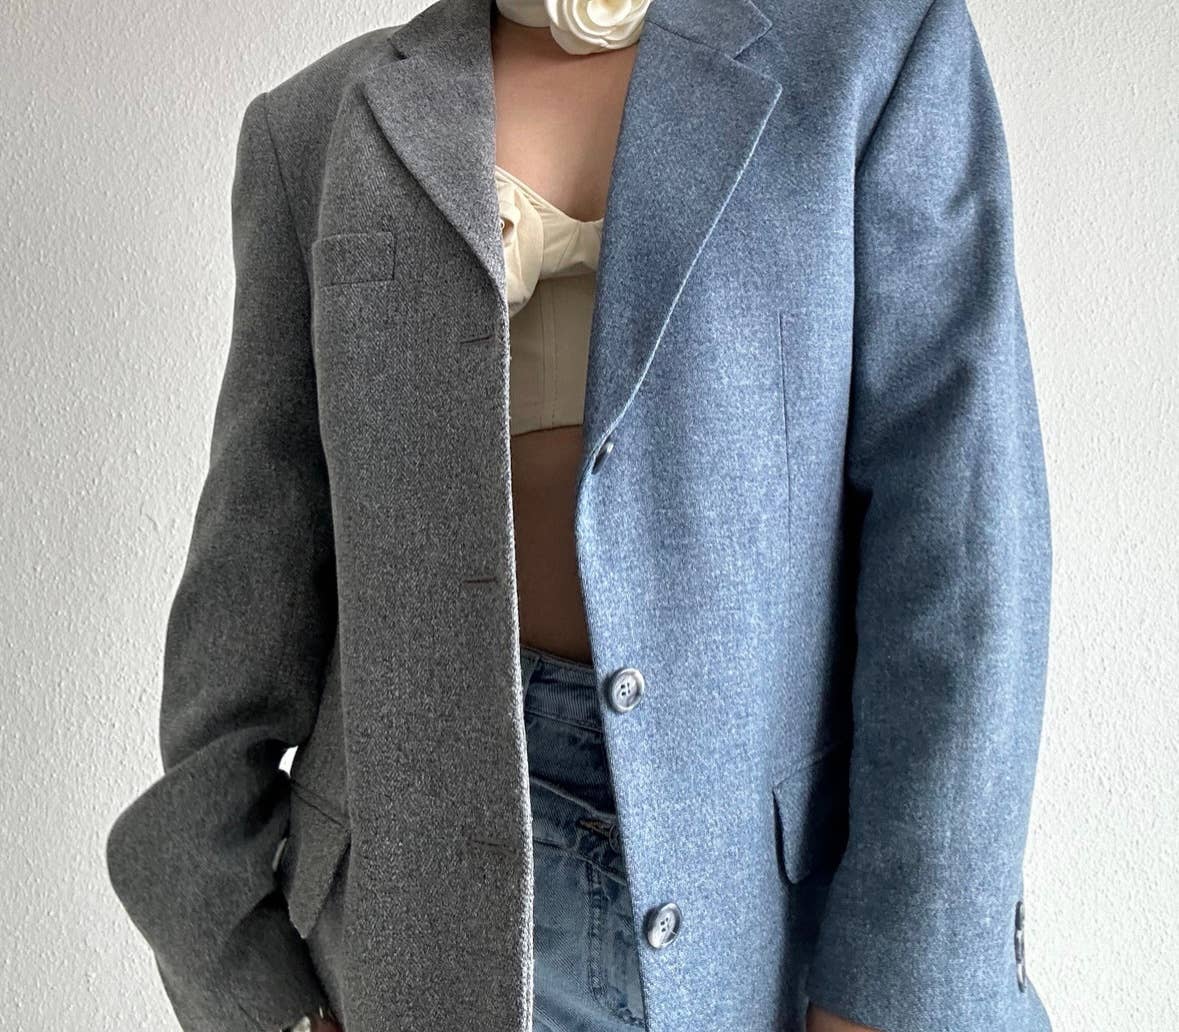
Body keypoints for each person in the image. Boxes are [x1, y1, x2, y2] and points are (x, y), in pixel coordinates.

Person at [105, 0, 1054, 1030]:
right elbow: (251, 577)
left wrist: (901, 984)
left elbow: (964, 538)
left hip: (779, 912)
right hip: (416, 930)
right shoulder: (316, 126)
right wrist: (249, 986)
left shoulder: (872, 49)